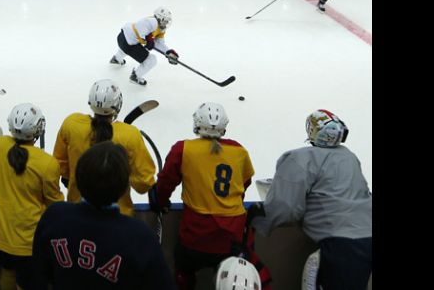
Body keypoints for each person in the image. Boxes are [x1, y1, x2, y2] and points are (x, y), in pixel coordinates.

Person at [150, 102, 272, 290]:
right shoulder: (239, 151)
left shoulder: (183, 149)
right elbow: (243, 183)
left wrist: (160, 201)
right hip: (232, 236)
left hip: (195, 234)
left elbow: (166, 183)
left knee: (183, 270)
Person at [250, 109, 372, 290]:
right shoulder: (349, 157)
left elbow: (286, 209)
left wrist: (258, 221)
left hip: (340, 245)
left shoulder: (300, 159)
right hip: (367, 239)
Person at [33, 141, 176, 289]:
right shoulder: (140, 237)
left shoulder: (55, 217)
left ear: (78, 178)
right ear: (123, 188)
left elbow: (37, 275)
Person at [0, 103, 64, 290]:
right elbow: (55, 204)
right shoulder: (47, 163)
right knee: (28, 282)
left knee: (8, 272)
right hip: (28, 243)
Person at [52, 79, 156, 216]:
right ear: (117, 104)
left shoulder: (71, 124)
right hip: (118, 217)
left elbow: (60, 165)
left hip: (78, 213)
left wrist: (69, 178)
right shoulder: (130, 135)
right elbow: (143, 184)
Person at [109, 7, 179, 86]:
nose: (166, 23)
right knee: (152, 60)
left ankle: (116, 59)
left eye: (167, 21)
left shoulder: (160, 29)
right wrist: (148, 38)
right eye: (165, 21)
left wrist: (168, 52)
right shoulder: (153, 21)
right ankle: (135, 76)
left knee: (130, 44)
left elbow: (159, 43)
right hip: (128, 44)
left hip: (122, 38)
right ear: (159, 18)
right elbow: (142, 26)